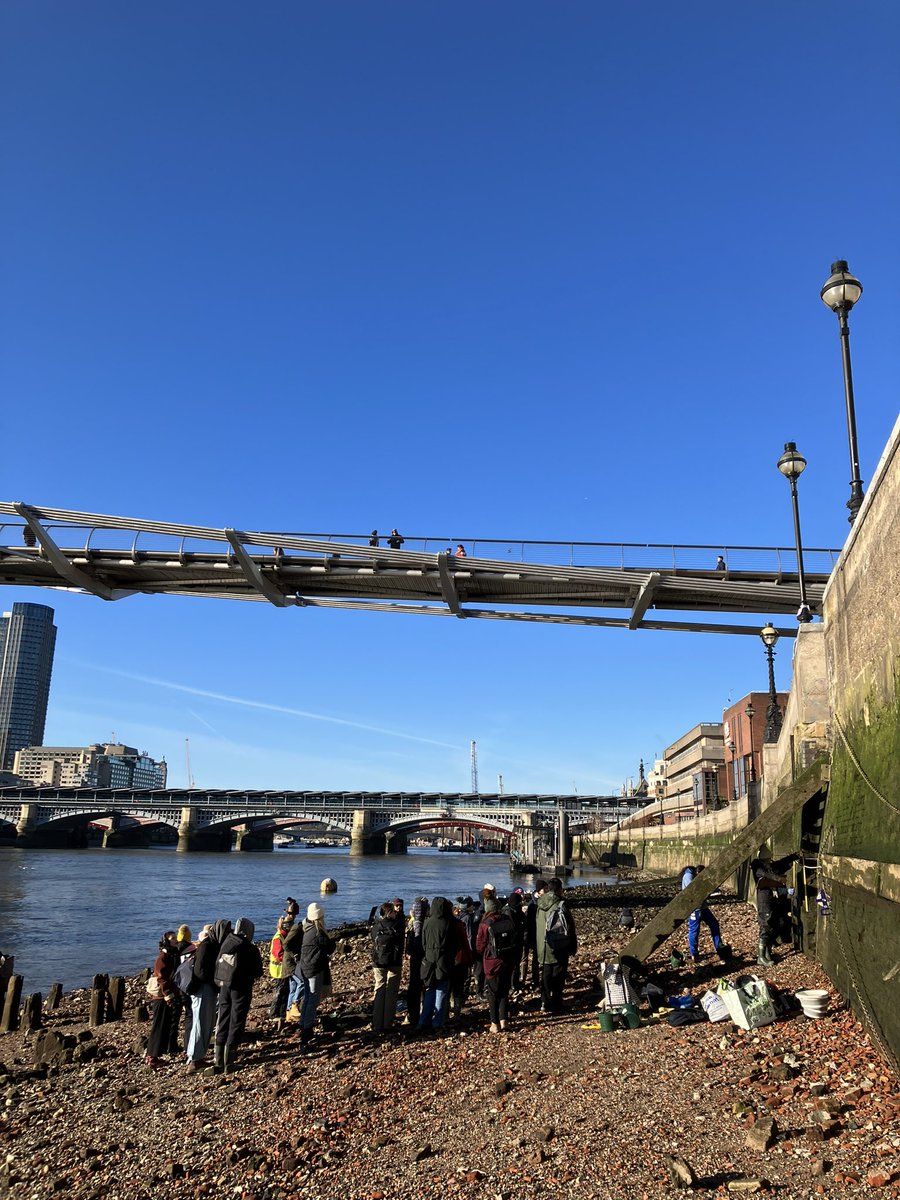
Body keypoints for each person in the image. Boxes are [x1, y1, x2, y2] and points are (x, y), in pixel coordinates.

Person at [212, 916, 263, 1075]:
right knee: (236, 1021)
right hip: (241, 988)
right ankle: (229, 1061)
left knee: (223, 1018)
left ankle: (218, 1060)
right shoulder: (249, 948)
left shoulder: (227, 942)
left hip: (224, 986)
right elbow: (258, 971)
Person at [186, 920, 228, 1073]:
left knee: (201, 1022)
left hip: (203, 988)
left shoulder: (207, 945)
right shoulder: (207, 946)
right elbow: (200, 971)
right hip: (203, 989)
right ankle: (196, 1059)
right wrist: (214, 981)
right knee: (202, 1022)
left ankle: (194, 1056)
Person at [476, 897, 521, 1033]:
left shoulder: (485, 924)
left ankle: (494, 1023)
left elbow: (480, 946)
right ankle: (504, 1020)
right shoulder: (507, 920)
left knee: (492, 993)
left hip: (492, 963)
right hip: (507, 961)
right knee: (504, 991)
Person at [535, 878, 577, 1014]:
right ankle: (557, 1004)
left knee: (546, 975)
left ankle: (545, 1002)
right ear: (559, 890)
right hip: (559, 945)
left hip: (543, 945)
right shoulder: (560, 904)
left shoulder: (539, 904)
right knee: (559, 976)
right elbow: (569, 927)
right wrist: (572, 946)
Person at [298, 902, 336, 1049]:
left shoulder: (307, 929)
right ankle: (306, 1033)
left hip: (305, 967)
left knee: (308, 998)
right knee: (312, 1000)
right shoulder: (318, 932)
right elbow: (330, 947)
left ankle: (304, 1026)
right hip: (314, 969)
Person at [751, 850, 797, 967]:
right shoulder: (758, 867)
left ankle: (767, 953)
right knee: (765, 926)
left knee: (773, 925)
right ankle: (761, 957)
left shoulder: (769, 867)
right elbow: (765, 874)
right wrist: (778, 879)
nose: (770, 862)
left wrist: (794, 856)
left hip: (772, 901)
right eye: (768, 860)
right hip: (764, 902)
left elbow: (781, 863)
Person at [418, 896, 456, 1032]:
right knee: (441, 991)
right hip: (443, 961)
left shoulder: (427, 922)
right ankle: (437, 1022)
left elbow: (423, 942)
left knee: (429, 991)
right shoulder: (448, 923)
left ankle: (424, 1020)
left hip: (428, 960)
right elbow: (453, 944)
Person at [680, 864, 729, 964]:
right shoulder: (688, 877)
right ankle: (694, 954)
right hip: (695, 908)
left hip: (703, 907)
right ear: (698, 873)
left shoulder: (694, 875)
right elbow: (692, 893)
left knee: (714, 924)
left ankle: (719, 948)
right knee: (694, 930)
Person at [146, 931, 179, 1069]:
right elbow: (161, 978)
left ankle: (155, 1055)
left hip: (165, 995)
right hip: (161, 997)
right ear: (166, 941)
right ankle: (152, 1057)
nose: (175, 940)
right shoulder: (163, 957)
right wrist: (168, 994)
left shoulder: (171, 955)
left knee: (163, 1025)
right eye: (172, 939)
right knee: (159, 1026)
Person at [370, 900, 405, 1033]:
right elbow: (401, 942)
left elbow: (373, 939)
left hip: (378, 961)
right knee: (391, 992)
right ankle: (387, 1023)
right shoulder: (398, 925)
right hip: (394, 962)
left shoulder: (376, 926)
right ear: (390, 913)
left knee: (379, 989)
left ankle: (377, 1023)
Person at [404, 897, 429, 1027]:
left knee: (414, 987)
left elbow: (408, 943)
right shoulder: (425, 925)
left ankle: (413, 1015)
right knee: (424, 987)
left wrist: (408, 953)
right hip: (423, 959)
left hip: (414, 959)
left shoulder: (412, 925)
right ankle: (423, 1013)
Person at [268, 915, 294, 1028]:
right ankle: (273, 1014)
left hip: (283, 968)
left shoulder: (284, 936)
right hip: (279, 969)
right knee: (279, 992)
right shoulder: (278, 938)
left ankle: (282, 1012)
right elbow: (278, 954)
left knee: (285, 991)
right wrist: (291, 958)